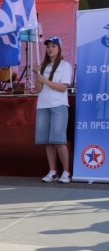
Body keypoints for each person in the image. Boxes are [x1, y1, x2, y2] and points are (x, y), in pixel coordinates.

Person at [33, 36, 72, 184]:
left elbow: (63, 87)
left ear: (59, 48)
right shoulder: (43, 66)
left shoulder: (64, 66)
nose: (50, 49)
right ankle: (53, 171)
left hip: (59, 106)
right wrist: (37, 74)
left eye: (53, 46)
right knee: (47, 141)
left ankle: (66, 172)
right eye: (48, 46)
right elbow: (38, 89)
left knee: (59, 140)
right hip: (43, 105)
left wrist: (45, 80)